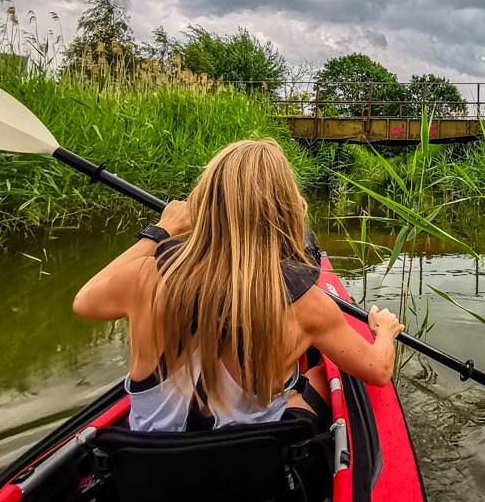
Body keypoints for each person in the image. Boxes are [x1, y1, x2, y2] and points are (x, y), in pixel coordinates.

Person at [72, 138, 405, 432]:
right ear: (287, 210)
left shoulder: (143, 276)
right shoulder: (309, 306)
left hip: (146, 483)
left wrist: (161, 230)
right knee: (317, 376)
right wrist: (384, 332)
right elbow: (378, 371)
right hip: (245, 488)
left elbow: (85, 301)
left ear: (202, 205)